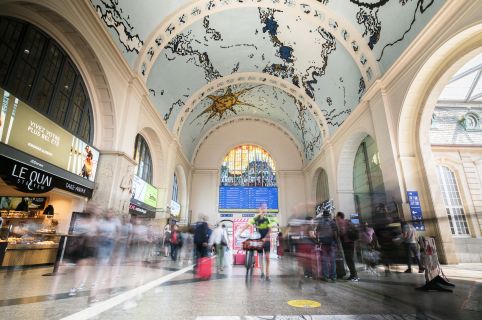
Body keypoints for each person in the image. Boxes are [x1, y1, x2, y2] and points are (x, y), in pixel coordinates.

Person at [238, 202, 276, 281]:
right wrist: (240, 232)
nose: (263, 209)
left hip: (267, 240)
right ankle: (262, 273)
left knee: (267, 258)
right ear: (259, 208)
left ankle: (268, 275)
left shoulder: (269, 217)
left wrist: (265, 238)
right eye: (262, 207)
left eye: (265, 207)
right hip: (258, 240)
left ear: (267, 209)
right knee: (260, 257)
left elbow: (270, 229)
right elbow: (248, 225)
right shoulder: (256, 217)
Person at [313, 209, 338, 282]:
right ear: (329, 215)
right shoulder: (332, 222)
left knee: (325, 260)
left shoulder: (320, 223)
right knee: (332, 260)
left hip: (323, 243)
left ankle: (326, 276)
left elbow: (316, 233)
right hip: (331, 243)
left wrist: (318, 240)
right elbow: (335, 233)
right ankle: (333, 277)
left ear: (323, 215)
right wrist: (336, 242)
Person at [336, 212, 359, 282]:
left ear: (340, 217)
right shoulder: (348, 221)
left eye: (337, 218)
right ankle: (353, 275)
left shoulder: (342, 222)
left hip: (347, 243)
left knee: (349, 260)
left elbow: (342, 232)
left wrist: (337, 234)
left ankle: (354, 276)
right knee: (350, 259)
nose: (337, 219)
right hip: (351, 242)